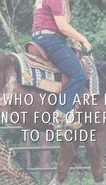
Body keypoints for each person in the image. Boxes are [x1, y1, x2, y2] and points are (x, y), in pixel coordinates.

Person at [32, 0, 92, 130]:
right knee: (79, 75)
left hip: (41, 38)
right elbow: (62, 26)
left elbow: (53, 25)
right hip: (51, 41)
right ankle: (60, 117)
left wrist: (73, 39)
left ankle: (72, 112)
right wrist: (83, 39)